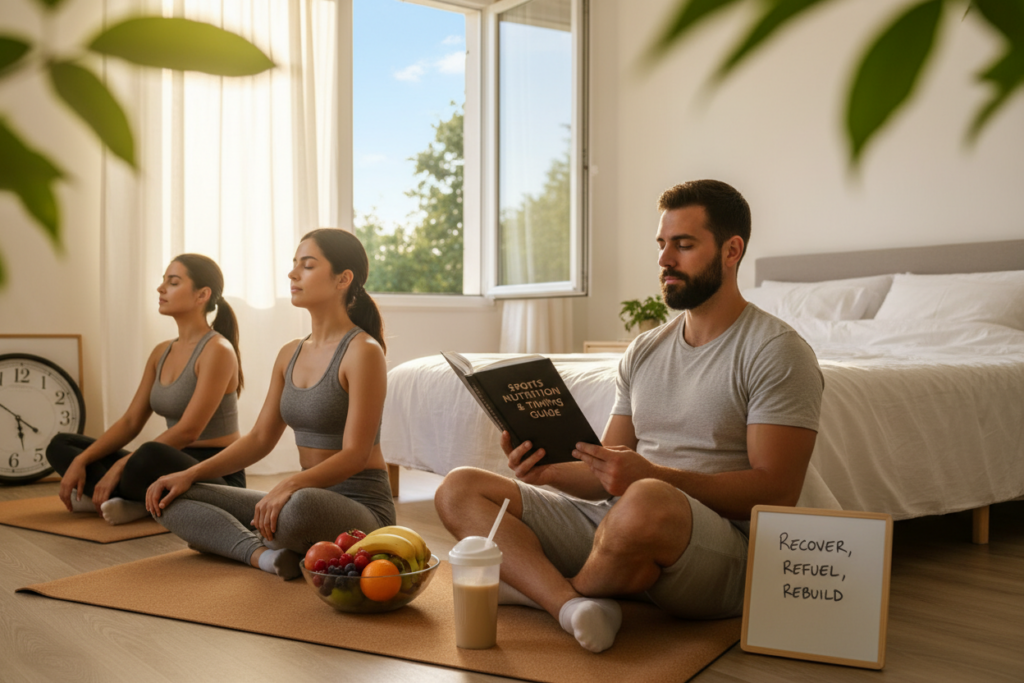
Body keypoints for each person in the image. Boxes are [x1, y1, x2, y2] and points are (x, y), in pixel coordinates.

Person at [434, 180, 824, 653]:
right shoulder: (644, 349)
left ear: (731, 250)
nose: (664, 260)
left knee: (646, 500)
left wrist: (652, 478)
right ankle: (577, 603)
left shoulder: (776, 351)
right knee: (460, 488)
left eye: (683, 245)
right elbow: (606, 475)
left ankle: (548, 591)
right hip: (623, 522)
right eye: (662, 244)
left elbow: (777, 491)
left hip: (724, 547)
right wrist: (548, 472)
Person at [145, 228, 395, 581]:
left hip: (360, 507)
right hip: (300, 498)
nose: (293, 274)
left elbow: (355, 454)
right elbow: (260, 438)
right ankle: (262, 555)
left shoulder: (363, 352)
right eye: (294, 265)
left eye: (307, 266)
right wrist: (190, 474)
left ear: (343, 278)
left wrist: (287, 486)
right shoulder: (289, 353)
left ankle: (237, 538)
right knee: (169, 495)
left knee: (298, 509)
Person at [47, 254, 245, 526]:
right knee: (62, 446)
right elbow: (130, 422)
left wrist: (120, 465)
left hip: (215, 471)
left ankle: (135, 502)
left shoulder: (217, 351)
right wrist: (82, 460)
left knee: (147, 455)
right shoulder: (161, 352)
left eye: (173, 282)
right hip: (168, 461)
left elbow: (189, 431)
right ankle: (142, 502)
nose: (160, 288)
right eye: (163, 281)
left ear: (202, 295)